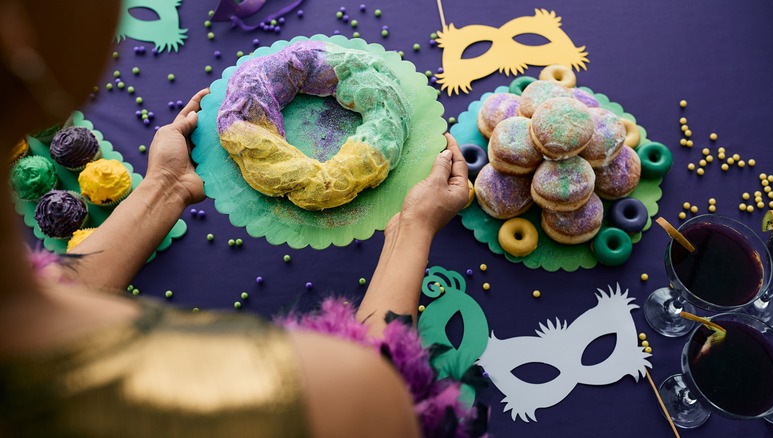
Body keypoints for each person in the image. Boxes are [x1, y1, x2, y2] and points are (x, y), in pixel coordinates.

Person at [0, 1, 471, 436]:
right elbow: (383, 390)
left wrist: (164, 186)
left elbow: (56, 298)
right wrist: (413, 227)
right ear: (19, 40)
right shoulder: (332, 393)